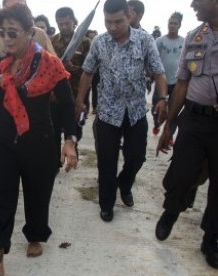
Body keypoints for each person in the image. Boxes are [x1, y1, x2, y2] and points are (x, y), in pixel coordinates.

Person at [0, 4, 77, 276]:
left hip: (40, 139)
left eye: (13, 32)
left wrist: (70, 140)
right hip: (4, 141)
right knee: (0, 199)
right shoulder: (1, 65)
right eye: (2, 32)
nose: (7, 39)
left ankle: (35, 234)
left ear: (30, 32)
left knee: (37, 193)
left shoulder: (50, 64)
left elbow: (68, 106)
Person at [76, 0, 168, 222]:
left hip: (135, 111)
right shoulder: (99, 42)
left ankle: (125, 184)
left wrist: (163, 98)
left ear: (130, 16)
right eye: (108, 21)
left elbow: (159, 72)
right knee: (106, 161)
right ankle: (106, 204)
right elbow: (88, 72)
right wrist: (79, 100)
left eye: (118, 21)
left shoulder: (144, 40)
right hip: (108, 112)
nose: (113, 27)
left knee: (136, 158)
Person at [155, 0, 218, 269]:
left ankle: (211, 237)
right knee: (181, 173)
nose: (192, 3)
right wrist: (169, 124)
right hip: (193, 119)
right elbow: (182, 82)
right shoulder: (194, 37)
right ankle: (172, 210)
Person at [51, 7, 91, 166]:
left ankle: (73, 146)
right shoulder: (53, 41)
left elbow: (89, 70)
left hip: (76, 95)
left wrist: (71, 68)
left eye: (67, 23)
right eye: (60, 24)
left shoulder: (85, 42)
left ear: (74, 22)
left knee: (75, 128)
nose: (64, 27)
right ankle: (55, 159)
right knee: (54, 129)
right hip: (55, 96)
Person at [0, 0, 55, 67]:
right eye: (10, 9)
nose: (6, 38)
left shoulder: (40, 34)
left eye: (19, 9)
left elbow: (53, 65)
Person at [152, 12, 184, 137]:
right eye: (170, 23)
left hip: (177, 82)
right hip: (162, 82)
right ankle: (156, 123)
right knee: (156, 109)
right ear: (167, 24)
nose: (172, 25)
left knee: (174, 111)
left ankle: (169, 133)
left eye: (175, 23)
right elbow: (153, 59)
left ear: (179, 26)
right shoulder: (159, 41)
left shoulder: (184, 41)